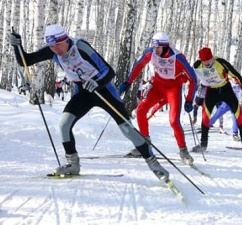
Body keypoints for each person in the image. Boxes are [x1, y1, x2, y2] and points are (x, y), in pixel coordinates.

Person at [10, 24, 169, 182]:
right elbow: (26, 61)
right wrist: (17, 46)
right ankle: (73, 164)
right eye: (52, 47)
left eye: (58, 45)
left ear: (65, 39)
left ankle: (154, 165)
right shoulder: (52, 51)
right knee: (64, 125)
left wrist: (96, 82)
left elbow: (109, 71)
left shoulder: (80, 47)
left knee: (126, 128)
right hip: (84, 93)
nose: (56, 50)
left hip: (104, 91)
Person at [120, 32, 198, 165]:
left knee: (174, 121)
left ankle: (183, 151)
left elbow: (193, 79)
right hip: (157, 87)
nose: (155, 50)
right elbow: (138, 65)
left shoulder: (178, 58)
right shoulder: (150, 53)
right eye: (153, 47)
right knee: (140, 111)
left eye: (158, 48)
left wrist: (190, 99)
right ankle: (145, 144)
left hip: (173, 89)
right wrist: (128, 82)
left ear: (165, 46)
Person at [193, 47, 242, 151]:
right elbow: (198, 80)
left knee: (237, 112)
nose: (207, 63)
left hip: (225, 89)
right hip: (211, 91)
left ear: (212, 57)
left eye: (209, 60)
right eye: (204, 61)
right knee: (205, 115)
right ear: (201, 60)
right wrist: (198, 97)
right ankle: (203, 144)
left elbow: (236, 75)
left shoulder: (221, 62)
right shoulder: (197, 65)